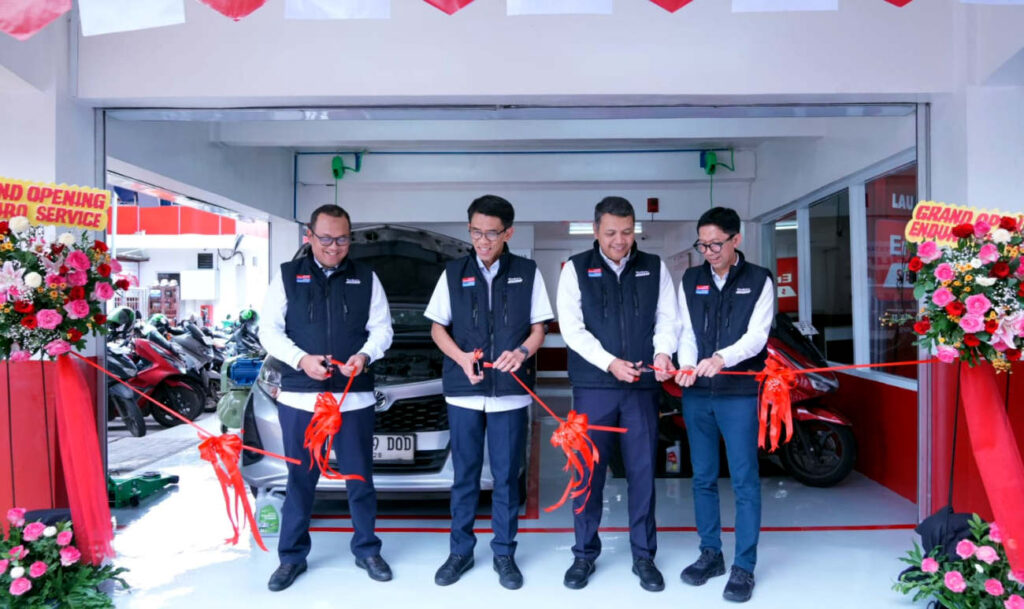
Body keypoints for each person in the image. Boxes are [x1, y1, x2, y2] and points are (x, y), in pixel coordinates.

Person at [259, 204, 395, 592]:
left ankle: (367, 549)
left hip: (353, 398)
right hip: (301, 398)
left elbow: (381, 329)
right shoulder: (287, 276)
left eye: (342, 239)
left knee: (360, 478)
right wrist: (300, 359)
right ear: (309, 236)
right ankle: (291, 557)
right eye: (326, 239)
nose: (335, 247)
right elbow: (268, 330)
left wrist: (366, 355)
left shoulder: (366, 277)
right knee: (301, 478)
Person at [425, 195, 553, 590]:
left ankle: (504, 553)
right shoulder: (452, 273)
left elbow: (539, 328)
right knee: (463, 476)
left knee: (505, 477)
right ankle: (460, 551)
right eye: (476, 232)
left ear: (508, 233)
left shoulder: (527, 272)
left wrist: (522, 352)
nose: (482, 241)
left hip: (510, 393)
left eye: (491, 233)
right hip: (464, 391)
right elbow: (437, 328)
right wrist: (462, 358)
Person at [555, 196, 679, 592]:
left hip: (641, 387)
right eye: (610, 233)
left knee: (642, 473)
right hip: (594, 388)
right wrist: (609, 362)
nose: (620, 241)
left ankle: (644, 556)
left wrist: (662, 352)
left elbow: (667, 318)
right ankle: (584, 554)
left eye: (627, 232)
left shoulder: (653, 267)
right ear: (595, 231)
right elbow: (572, 329)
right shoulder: (575, 269)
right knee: (587, 474)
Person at [675, 206, 774, 603]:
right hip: (697, 393)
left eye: (716, 244)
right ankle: (710, 553)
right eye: (703, 244)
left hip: (738, 393)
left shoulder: (759, 280)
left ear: (737, 240)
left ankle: (744, 566)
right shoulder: (691, 279)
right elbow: (684, 330)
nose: (709, 252)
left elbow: (757, 336)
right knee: (702, 477)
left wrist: (721, 358)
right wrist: (686, 365)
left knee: (745, 481)